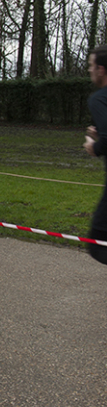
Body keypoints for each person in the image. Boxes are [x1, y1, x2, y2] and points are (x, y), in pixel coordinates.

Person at [84, 44, 107, 265]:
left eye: (91, 66)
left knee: (97, 242)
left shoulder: (99, 99)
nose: (89, 70)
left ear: (101, 70)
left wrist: (94, 146)